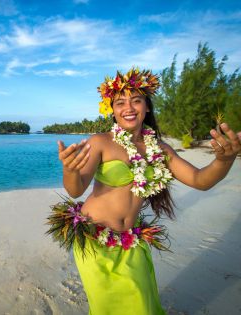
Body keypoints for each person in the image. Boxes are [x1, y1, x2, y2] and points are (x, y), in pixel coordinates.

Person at [53, 68, 241, 315]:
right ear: (112, 109)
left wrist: (224, 161)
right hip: (96, 241)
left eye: (136, 100)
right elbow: (75, 189)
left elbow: (199, 180)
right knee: (110, 308)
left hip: (132, 241)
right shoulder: (100, 142)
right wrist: (70, 169)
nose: (128, 107)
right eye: (120, 102)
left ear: (147, 106)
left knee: (144, 305)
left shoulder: (159, 148)